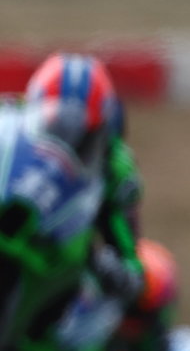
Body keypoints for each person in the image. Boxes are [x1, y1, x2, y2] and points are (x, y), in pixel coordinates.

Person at [24, 53, 146, 309]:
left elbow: (130, 261)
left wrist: (108, 265)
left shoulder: (115, 169)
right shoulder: (9, 135)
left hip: (61, 273)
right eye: (56, 129)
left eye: (83, 135)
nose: (67, 143)